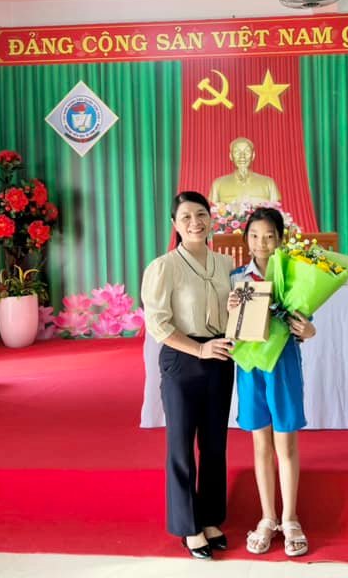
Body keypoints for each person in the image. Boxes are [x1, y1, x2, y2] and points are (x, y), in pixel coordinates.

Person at [140, 191, 236, 560]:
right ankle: (187, 526)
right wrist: (198, 350)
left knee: (214, 445)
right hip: (183, 360)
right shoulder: (164, 267)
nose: (195, 223)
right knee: (180, 445)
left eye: (201, 214)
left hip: (220, 357)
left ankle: (210, 518)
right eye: (186, 217)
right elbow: (158, 325)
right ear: (175, 225)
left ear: (211, 218)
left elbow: (236, 315)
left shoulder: (226, 264)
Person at [227, 207, 316, 557]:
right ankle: (267, 517)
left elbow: (305, 324)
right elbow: (229, 327)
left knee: (286, 444)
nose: (261, 243)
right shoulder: (237, 278)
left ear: (280, 239)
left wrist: (309, 330)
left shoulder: (293, 277)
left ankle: (290, 519)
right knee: (260, 444)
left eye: (268, 236)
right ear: (245, 239)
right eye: (254, 236)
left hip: (284, 367)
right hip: (250, 369)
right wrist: (230, 310)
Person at [209, 136, 281, 205]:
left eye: (247, 152)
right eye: (237, 152)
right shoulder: (218, 184)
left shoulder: (269, 183)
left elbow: (275, 209)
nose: (242, 156)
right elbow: (213, 209)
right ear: (231, 156)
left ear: (253, 156)